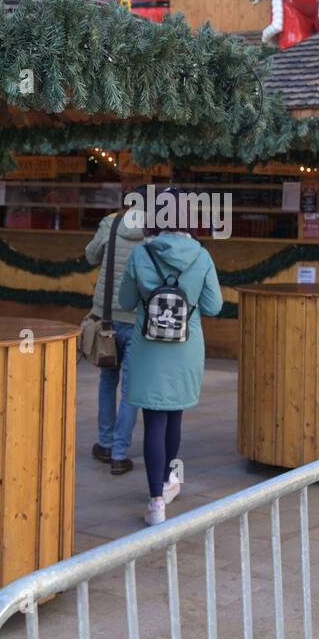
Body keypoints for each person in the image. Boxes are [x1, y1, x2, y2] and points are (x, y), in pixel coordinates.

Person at [118, 189, 223, 526]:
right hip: (185, 346)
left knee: (152, 421)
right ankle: (167, 482)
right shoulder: (202, 256)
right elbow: (213, 306)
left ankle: (155, 503)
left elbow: (125, 300)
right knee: (173, 416)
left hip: (148, 346)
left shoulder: (140, 254)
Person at [84, 199, 146, 475]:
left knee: (107, 380)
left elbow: (90, 255)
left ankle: (105, 443)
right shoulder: (154, 230)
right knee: (131, 387)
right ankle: (120, 454)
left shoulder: (111, 223)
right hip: (137, 319)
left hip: (106, 317)